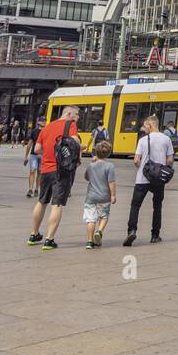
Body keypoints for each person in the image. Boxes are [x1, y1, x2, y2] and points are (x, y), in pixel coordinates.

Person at [28, 105, 81, 250]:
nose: (77, 118)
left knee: (42, 201)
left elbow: (37, 149)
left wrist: (51, 151)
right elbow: (75, 142)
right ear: (69, 114)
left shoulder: (46, 127)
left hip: (45, 169)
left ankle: (34, 234)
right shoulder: (70, 125)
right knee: (56, 204)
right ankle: (49, 239)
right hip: (61, 170)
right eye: (76, 115)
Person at [123, 115, 174, 246]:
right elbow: (169, 160)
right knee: (157, 207)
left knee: (135, 206)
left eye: (145, 126)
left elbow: (136, 160)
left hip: (142, 178)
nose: (143, 129)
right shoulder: (166, 139)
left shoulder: (143, 140)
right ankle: (155, 235)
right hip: (158, 178)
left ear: (150, 125)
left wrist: (141, 168)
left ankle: (132, 230)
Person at [83, 141, 117, 248]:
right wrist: (113, 195)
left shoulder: (91, 166)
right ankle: (99, 231)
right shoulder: (110, 166)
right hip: (104, 197)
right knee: (104, 216)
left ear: (96, 153)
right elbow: (111, 182)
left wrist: (92, 163)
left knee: (90, 219)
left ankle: (89, 241)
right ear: (108, 153)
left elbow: (87, 177)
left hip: (91, 197)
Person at [24, 127, 42, 198]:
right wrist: (26, 156)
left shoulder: (47, 130)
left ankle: (37, 189)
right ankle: (30, 189)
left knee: (40, 172)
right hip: (34, 155)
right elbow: (29, 144)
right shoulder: (34, 131)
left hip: (43, 155)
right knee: (32, 171)